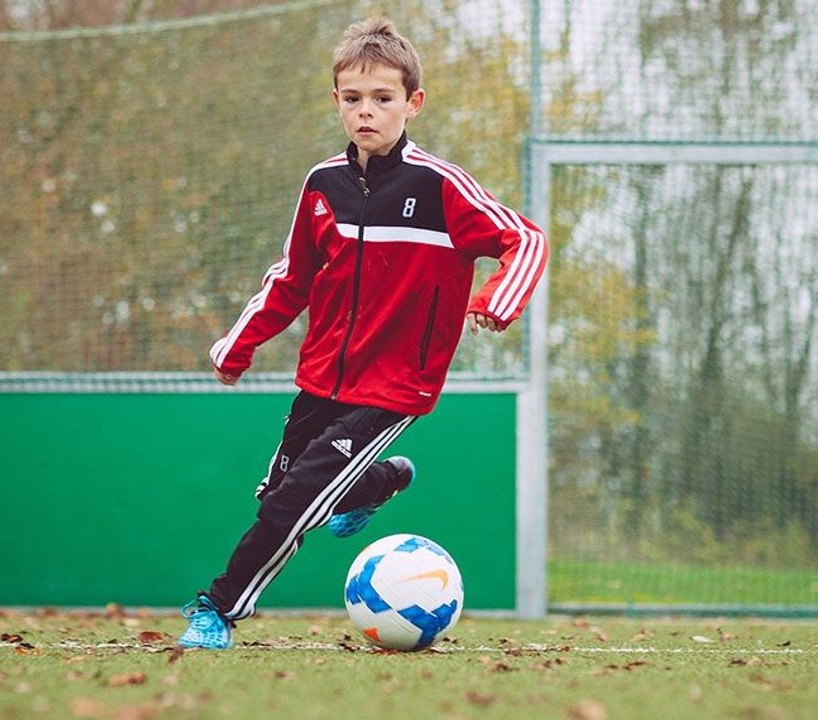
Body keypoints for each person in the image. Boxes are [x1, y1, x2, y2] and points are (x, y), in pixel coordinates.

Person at [177, 16, 548, 649]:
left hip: (395, 386)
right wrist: (239, 343)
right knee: (281, 491)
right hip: (322, 377)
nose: (366, 112)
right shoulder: (322, 186)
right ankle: (380, 482)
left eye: (382, 98)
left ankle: (217, 608)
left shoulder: (440, 187)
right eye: (353, 99)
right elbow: (291, 276)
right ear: (337, 103)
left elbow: (527, 240)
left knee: (291, 504)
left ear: (413, 103)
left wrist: (496, 299)